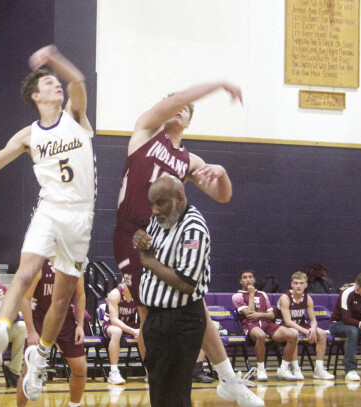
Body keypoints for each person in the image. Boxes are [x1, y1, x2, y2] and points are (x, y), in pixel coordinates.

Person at [114, 80, 262, 406]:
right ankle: (163, 384)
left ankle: (226, 378)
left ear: (189, 121)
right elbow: (179, 98)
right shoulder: (145, 130)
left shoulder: (190, 160)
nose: (175, 106)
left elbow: (223, 196)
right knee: (146, 312)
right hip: (133, 234)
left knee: (194, 302)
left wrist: (221, 173)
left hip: (165, 235)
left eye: (182, 107)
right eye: (171, 102)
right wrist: (219, 84)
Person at [0, 44, 95, 402]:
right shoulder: (28, 136)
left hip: (81, 214)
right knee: (25, 272)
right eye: (50, 83)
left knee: (64, 297)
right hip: (50, 207)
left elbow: (79, 80)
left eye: (58, 83)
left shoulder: (75, 114)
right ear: (36, 96)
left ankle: (39, 358)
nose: (58, 86)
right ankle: (3, 328)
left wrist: (52, 59)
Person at [131, 176, 213, 406]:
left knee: (174, 392)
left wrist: (149, 262)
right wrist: (139, 238)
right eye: (152, 204)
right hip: (157, 319)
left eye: (160, 203)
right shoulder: (159, 220)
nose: (155, 210)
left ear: (179, 198)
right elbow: (149, 245)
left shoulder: (194, 228)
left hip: (181, 321)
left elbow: (187, 283)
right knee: (159, 387)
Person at [18, 258, 87, 407]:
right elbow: (25, 298)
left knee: (80, 367)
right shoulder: (38, 264)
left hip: (65, 319)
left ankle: (74, 405)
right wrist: (31, 331)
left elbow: (80, 295)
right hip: (40, 319)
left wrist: (80, 325)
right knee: (29, 371)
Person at [232, 269, 299, 382]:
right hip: (250, 325)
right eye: (245, 277)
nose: (248, 279)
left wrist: (259, 314)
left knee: (292, 335)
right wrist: (252, 294)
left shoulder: (263, 294)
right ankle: (261, 369)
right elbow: (249, 314)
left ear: (254, 279)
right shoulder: (237, 296)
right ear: (240, 281)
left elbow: (272, 315)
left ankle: (283, 369)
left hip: (267, 324)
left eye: (250, 277)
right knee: (261, 336)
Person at [275, 271, 334, 380]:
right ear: (291, 284)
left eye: (301, 283)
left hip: (299, 324)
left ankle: (319, 369)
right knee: (294, 332)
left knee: (322, 333)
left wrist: (312, 328)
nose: (298, 286)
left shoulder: (308, 298)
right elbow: (288, 321)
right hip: (281, 325)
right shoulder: (285, 297)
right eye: (296, 283)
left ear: (306, 285)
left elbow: (313, 320)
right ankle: (295, 368)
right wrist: (306, 331)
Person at [328, 272, 361, 381]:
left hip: (357, 325)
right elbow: (347, 319)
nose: (357, 287)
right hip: (337, 324)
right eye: (357, 284)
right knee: (353, 331)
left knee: (356, 330)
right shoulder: (347, 293)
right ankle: (350, 370)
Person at [101, 279, 140, 385]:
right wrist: (133, 331)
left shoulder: (138, 294)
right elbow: (114, 320)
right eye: (128, 283)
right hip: (110, 325)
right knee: (117, 331)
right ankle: (113, 372)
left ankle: (150, 371)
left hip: (128, 325)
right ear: (123, 282)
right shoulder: (115, 294)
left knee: (147, 332)